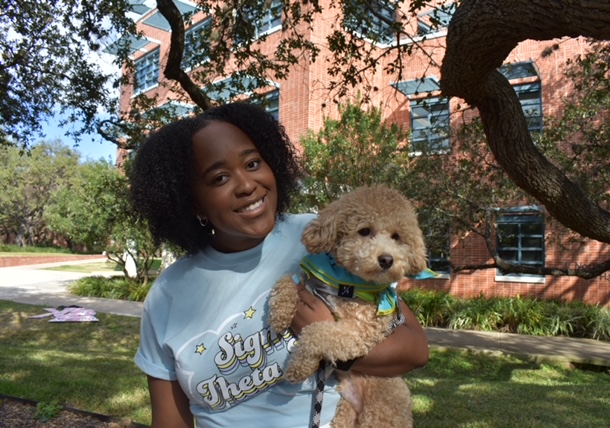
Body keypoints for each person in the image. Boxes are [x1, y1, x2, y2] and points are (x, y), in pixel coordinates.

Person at [129, 102, 429, 428]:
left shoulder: (324, 237)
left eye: (253, 163)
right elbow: (170, 422)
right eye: (219, 178)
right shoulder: (166, 297)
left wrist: (333, 343)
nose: (246, 185)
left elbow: (414, 349)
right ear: (191, 203)